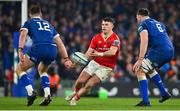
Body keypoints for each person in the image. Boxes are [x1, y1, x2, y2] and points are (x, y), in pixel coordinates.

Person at [16, 5, 73, 106]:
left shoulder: (28, 22)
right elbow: (60, 43)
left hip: (39, 47)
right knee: (42, 70)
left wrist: (20, 50)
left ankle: (30, 93)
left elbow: (23, 35)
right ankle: (48, 95)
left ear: (30, 14)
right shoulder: (49, 24)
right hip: (52, 49)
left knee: (19, 69)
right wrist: (66, 58)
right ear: (40, 14)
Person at [65, 17, 121, 106]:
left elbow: (113, 52)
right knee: (80, 81)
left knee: (89, 84)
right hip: (95, 63)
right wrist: (75, 64)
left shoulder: (115, 39)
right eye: (103, 24)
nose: (104, 26)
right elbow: (88, 53)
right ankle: (75, 92)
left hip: (106, 67)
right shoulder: (96, 38)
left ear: (112, 26)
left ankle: (75, 98)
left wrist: (100, 54)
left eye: (106, 25)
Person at [133, 8, 174, 106]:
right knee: (149, 69)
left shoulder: (143, 24)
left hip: (159, 51)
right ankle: (164, 94)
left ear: (139, 16)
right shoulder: (158, 23)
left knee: (139, 69)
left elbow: (144, 40)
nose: (137, 19)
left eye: (137, 18)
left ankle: (145, 102)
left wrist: (140, 59)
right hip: (170, 50)